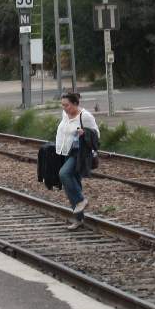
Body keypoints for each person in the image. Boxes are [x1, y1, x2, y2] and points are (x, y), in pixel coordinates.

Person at [55, 91, 100, 231]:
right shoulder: (65, 114)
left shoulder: (85, 116)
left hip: (80, 154)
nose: (64, 108)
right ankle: (79, 219)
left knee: (64, 174)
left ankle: (81, 200)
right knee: (73, 185)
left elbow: (96, 135)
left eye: (67, 105)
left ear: (75, 104)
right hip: (67, 151)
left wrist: (84, 132)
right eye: (62, 105)